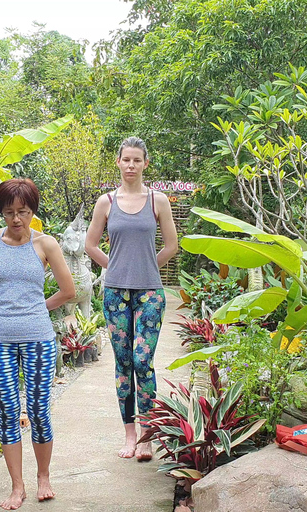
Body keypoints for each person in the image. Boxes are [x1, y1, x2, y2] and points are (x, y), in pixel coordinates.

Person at [0, 178, 75, 510]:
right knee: (9, 414)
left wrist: (36, 307)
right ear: (2, 212)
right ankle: (17, 486)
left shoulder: (46, 244)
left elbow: (68, 291)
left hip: (38, 337)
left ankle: (43, 477)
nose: (17, 219)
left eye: (23, 211)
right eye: (9, 212)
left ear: (33, 211)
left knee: (38, 412)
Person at [85, 137, 178, 461]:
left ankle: (147, 436)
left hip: (150, 292)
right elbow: (91, 245)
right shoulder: (106, 202)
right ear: (118, 162)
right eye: (126, 160)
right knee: (123, 364)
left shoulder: (158, 201)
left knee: (142, 360)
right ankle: (129, 432)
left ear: (145, 164)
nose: (131, 166)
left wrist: (147, 265)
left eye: (137, 160)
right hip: (115, 294)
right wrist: (117, 266)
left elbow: (171, 245)